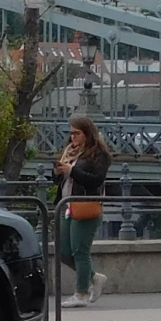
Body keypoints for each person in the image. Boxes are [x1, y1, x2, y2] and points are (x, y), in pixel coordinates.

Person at [51, 116, 111, 303]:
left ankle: (81, 293)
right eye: (71, 133)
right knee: (63, 251)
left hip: (85, 205)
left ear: (88, 133)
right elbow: (60, 181)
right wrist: (57, 172)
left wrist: (71, 170)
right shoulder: (70, 151)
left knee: (79, 250)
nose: (73, 137)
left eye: (77, 133)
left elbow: (96, 179)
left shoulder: (99, 153)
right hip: (66, 204)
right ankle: (94, 278)